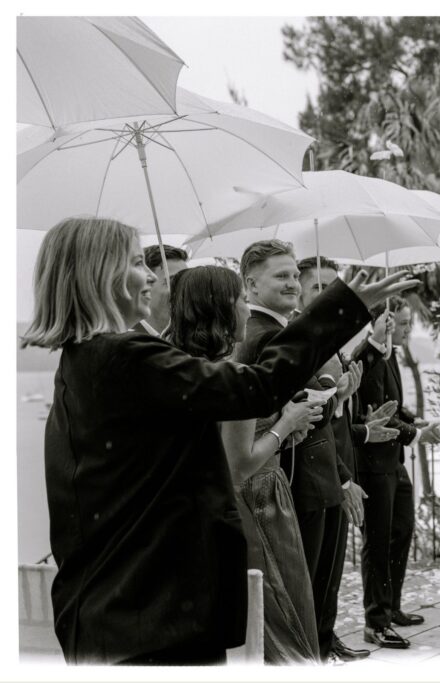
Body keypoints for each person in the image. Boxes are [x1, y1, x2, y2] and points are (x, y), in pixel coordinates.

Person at [22, 217, 417, 664]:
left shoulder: (85, 358)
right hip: (149, 616)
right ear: (100, 275)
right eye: (136, 262)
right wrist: (342, 308)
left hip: (121, 607)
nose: (152, 276)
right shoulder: (123, 358)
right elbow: (257, 388)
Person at [164, 266, 325, 664]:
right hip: (257, 504)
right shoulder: (231, 374)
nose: (245, 310)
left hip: (200, 512)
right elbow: (239, 465)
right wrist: (286, 425)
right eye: (239, 300)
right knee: (281, 621)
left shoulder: (174, 367)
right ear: (219, 309)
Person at [234, 242, 360, 664]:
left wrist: (337, 396)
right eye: (281, 276)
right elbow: (286, 409)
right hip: (292, 482)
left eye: (293, 275)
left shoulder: (281, 331)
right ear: (250, 284)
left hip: (314, 478)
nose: (292, 284)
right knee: (300, 607)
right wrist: (328, 394)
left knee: (316, 601)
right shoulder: (262, 336)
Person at [295, 256, 393, 663]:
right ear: (301, 291)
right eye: (317, 287)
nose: (326, 294)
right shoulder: (299, 339)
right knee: (314, 577)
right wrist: (344, 478)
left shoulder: (329, 340)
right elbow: (313, 421)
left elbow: (337, 412)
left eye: (331, 286)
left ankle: (326, 638)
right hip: (315, 475)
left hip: (338, 469)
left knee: (331, 575)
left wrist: (345, 395)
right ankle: (313, 651)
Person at [356, 298, 440, 649]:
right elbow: (374, 410)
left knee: (402, 531)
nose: (406, 330)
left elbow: (393, 405)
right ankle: (375, 621)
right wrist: (417, 435)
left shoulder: (390, 355)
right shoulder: (367, 356)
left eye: (408, 324)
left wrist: (414, 420)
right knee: (377, 541)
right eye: (401, 323)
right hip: (372, 465)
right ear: (381, 322)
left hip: (394, 462)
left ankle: (392, 608)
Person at [134, 244, 188, 335]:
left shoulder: (189, 339)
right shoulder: (124, 342)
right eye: (174, 282)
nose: (186, 290)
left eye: (187, 281)